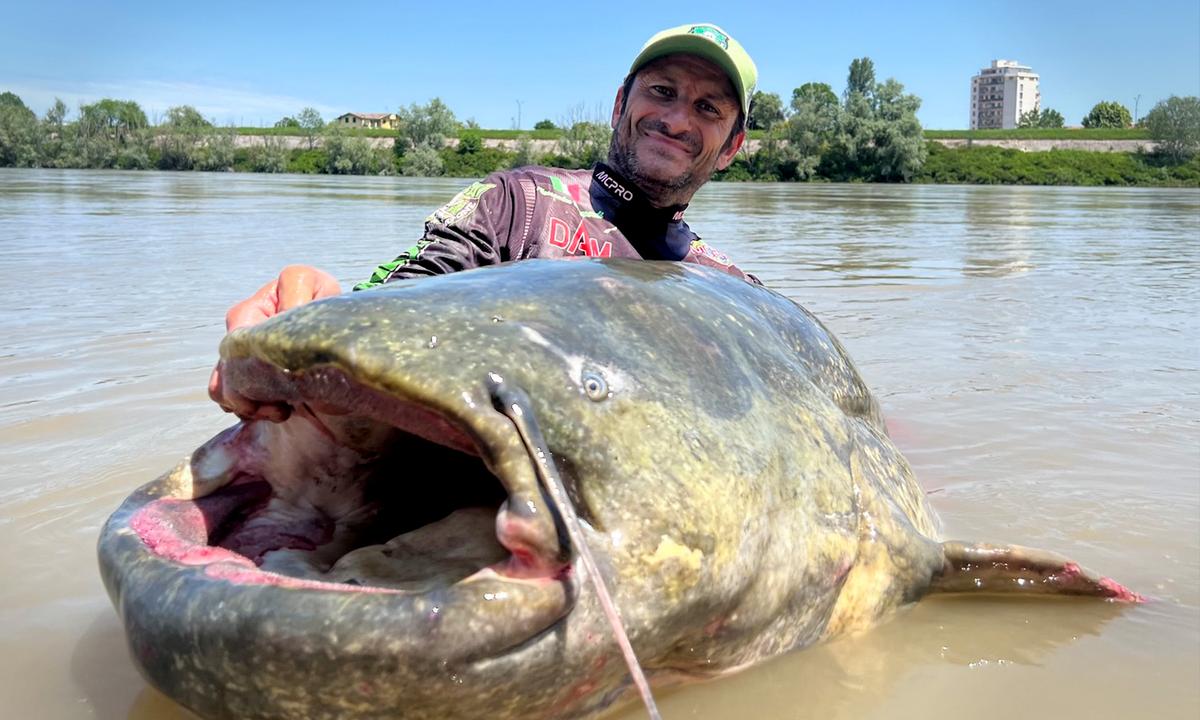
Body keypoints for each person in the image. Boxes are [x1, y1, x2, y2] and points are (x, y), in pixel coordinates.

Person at [211, 23, 759, 420]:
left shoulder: (735, 293)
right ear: (620, 104)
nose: (677, 118)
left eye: (708, 108)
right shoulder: (516, 203)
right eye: (662, 91)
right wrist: (326, 311)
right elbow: (406, 295)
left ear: (733, 145)